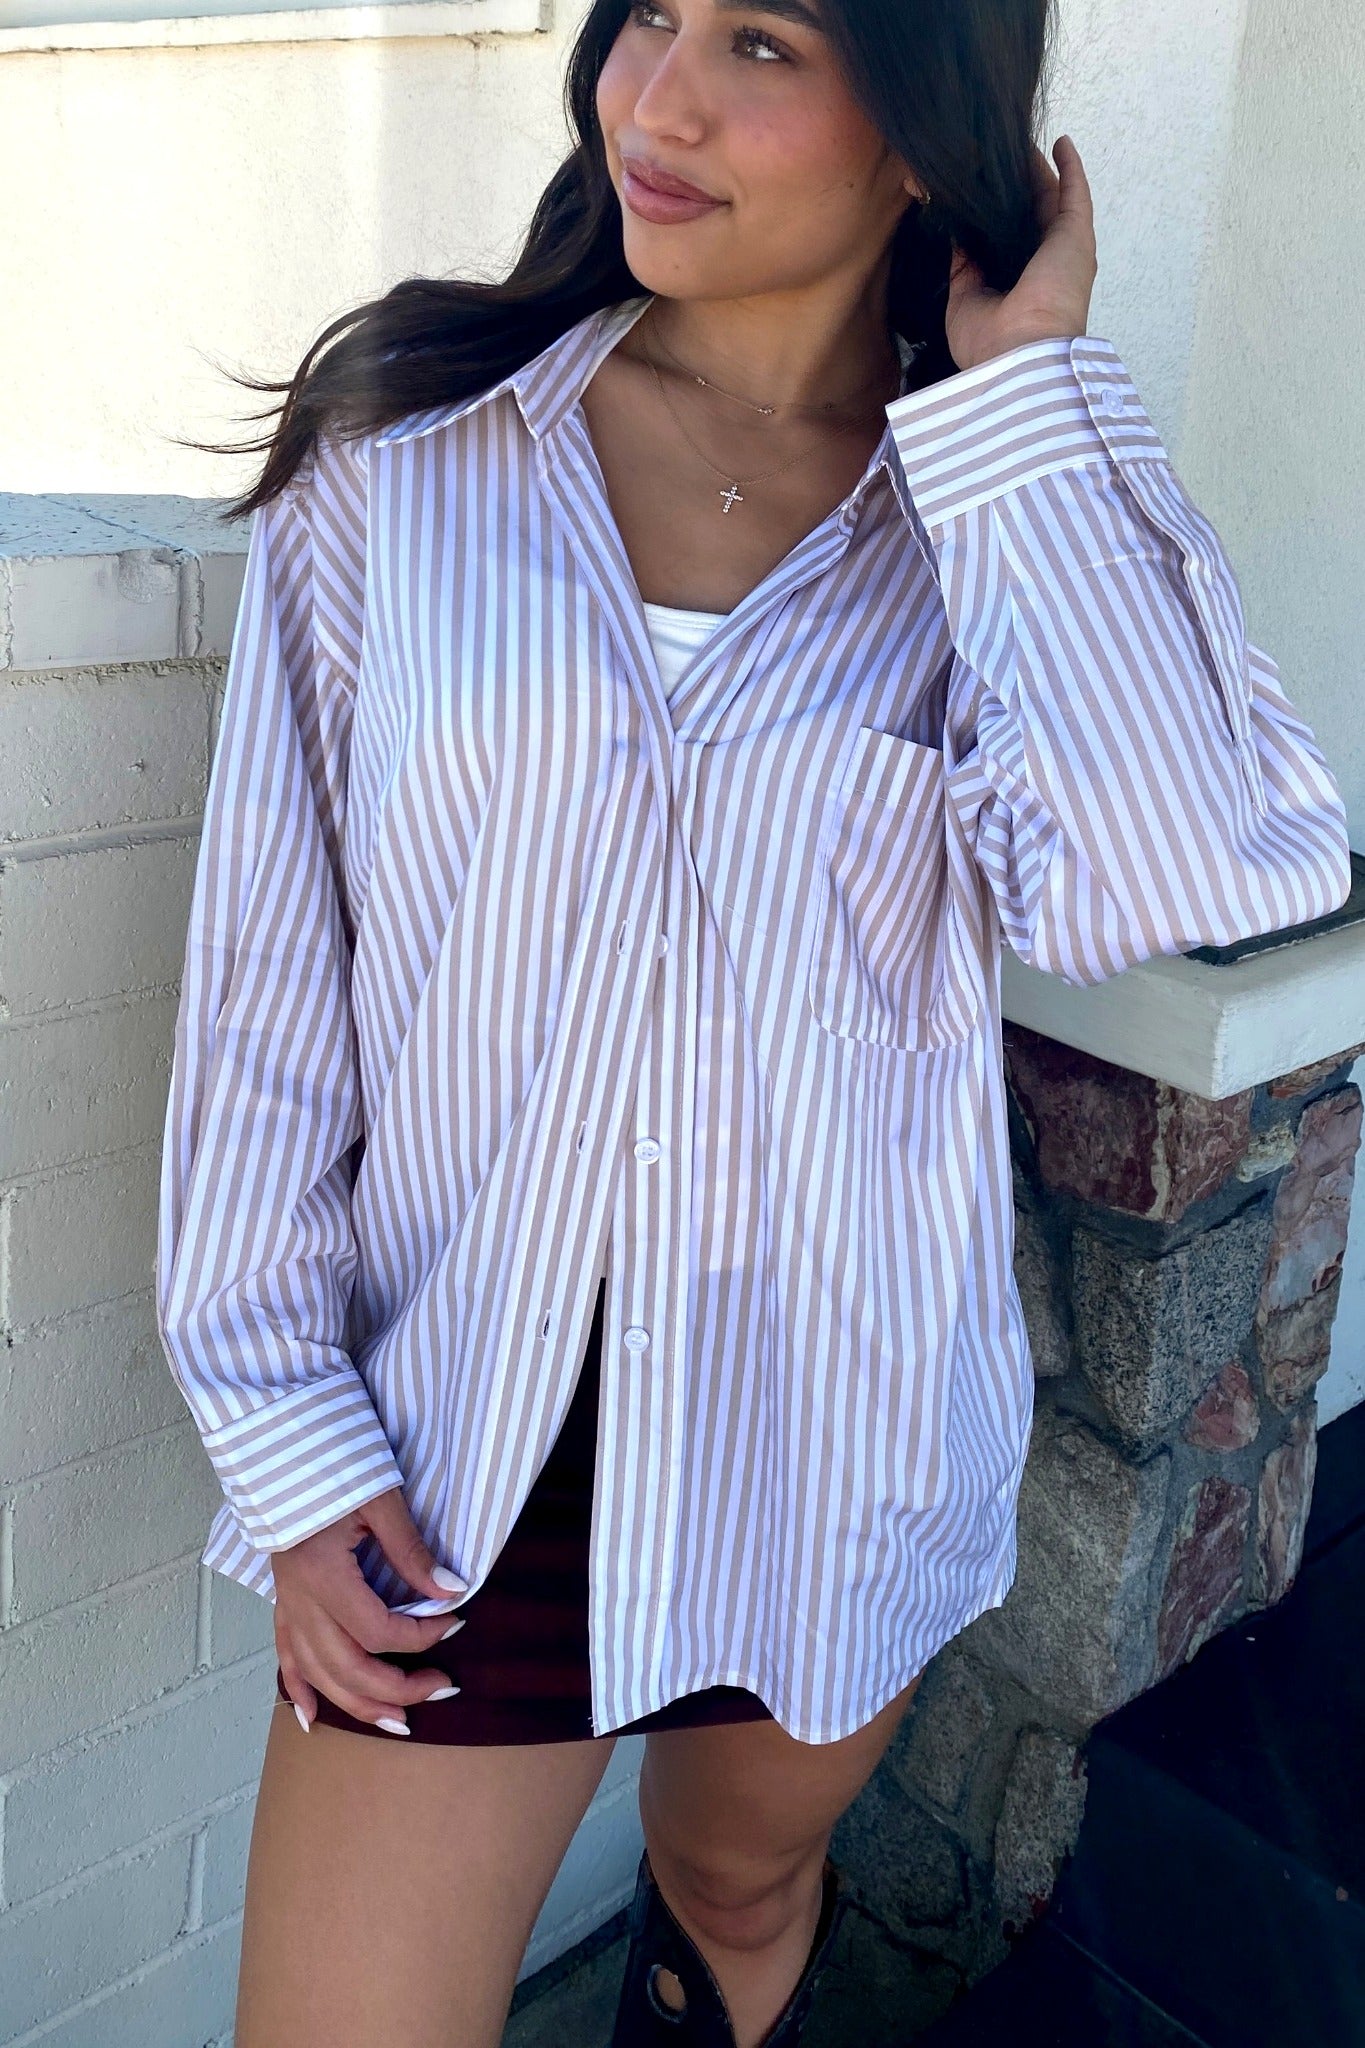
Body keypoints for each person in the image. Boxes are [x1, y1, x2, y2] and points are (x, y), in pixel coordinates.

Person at [155, 0, 1353, 2041]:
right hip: (464, 1452)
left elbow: (1195, 874)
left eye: (763, 43)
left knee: (733, 1873)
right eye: (644, 21)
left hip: (831, 1433)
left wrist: (1028, 403)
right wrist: (277, 1420)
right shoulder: (413, 456)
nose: (654, 95)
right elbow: (276, 997)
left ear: (922, 128)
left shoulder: (977, 528)